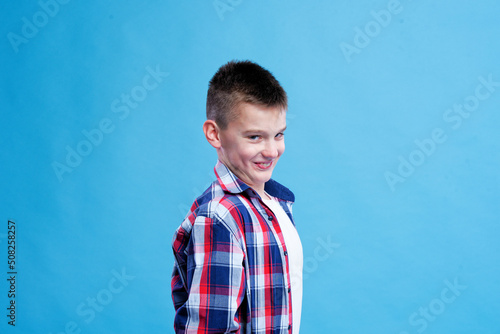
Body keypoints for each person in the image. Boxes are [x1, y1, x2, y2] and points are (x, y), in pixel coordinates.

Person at [171, 60, 303, 333]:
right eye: (255, 137)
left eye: (278, 135)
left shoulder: (276, 205)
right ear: (214, 133)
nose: (271, 151)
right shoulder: (220, 217)